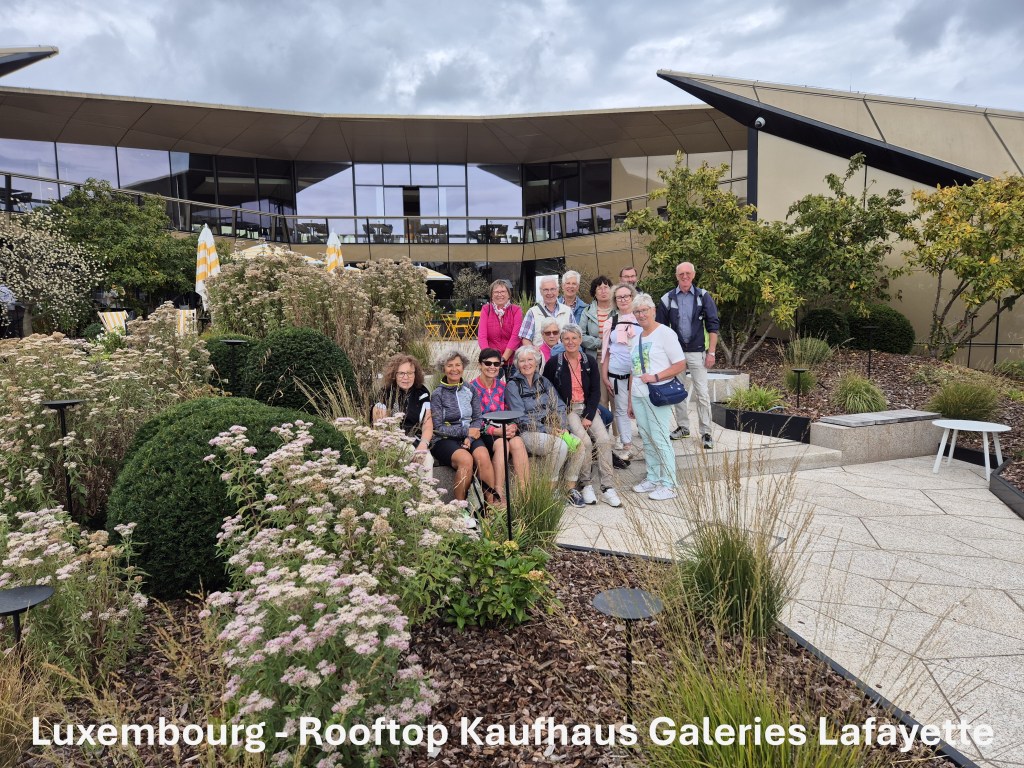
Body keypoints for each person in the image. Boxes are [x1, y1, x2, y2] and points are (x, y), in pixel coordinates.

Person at [544, 324, 621, 508]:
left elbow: (595, 391)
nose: (570, 342)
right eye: (566, 338)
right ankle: (586, 484)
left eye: (574, 338)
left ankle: (608, 486)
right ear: (561, 341)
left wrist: (589, 415)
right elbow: (547, 389)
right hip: (568, 410)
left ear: (580, 340)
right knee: (584, 442)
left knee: (604, 439)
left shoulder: (589, 361)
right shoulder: (554, 363)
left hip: (587, 408)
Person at [656, 261, 721, 449]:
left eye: (688, 273)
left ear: (693, 275)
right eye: (681, 274)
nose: (684, 276)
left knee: (702, 393)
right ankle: (683, 427)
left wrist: (711, 352)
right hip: (675, 354)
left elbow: (713, 325)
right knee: (678, 392)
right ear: (676, 276)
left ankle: (706, 432)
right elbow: (660, 328)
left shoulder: (703, 296)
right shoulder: (667, 298)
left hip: (698, 352)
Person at [629, 293, 687, 501]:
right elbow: (633, 371)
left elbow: (680, 364)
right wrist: (630, 400)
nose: (641, 314)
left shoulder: (665, 333)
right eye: (637, 311)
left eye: (644, 310)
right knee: (647, 438)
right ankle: (653, 477)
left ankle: (669, 484)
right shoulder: (636, 337)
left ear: (653, 311)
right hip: (638, 395)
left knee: (660, 438)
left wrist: (655, 377)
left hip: (658, 393)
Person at [429, 350, 499, 504]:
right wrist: (466, 431)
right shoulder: (437, 394)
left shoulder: (470, 389)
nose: (454, 369)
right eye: (450, 365)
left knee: (483, 456)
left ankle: (490, 505)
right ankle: (460, 508)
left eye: (458, 365)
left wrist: (469, 437)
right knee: (466, 460)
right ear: (443, 368)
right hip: (444, 439)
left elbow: (477, 418)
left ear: (463, 366)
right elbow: (438, 428)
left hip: (470, 436)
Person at [504, 346, 571, 494]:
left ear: (536, 362)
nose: (526, 364)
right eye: (522, 361)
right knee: (559, 446)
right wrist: (549, 430)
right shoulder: (513, 385)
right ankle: (550, 489)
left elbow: (559, 405)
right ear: (517, 364)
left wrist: (562, 425)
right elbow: (520, 417)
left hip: (551, 427)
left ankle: (571, 489)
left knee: (579, 446)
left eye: (530, 359)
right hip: (528, 432)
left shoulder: (543, 381)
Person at [471, 348, 530, 499]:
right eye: (488, 363)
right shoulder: (472, 388)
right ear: (480, 365)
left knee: (517, 442)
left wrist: (513, 426)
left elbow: (512, 411)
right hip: (485, 431)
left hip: (505, 426)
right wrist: (495, 431)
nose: (492, 367)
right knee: (502, 444)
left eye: (496, 364)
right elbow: (473, 419)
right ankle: (498, 493)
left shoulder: (503, 387)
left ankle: (525, 492)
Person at [372, 354, 434, 472]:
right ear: (394, 375)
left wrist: (424, 444)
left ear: (415, 374)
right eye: (401, 373)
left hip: (414, 439)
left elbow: (428, 423)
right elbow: (380, 424)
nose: (406, 377)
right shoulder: (385, 393)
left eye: (410, 373)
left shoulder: (422, 393)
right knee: (408, 452)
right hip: (392, 440)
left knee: (427, 459)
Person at [601, 283, 641, 463]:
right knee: (621, 410)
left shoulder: (641, 319)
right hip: (616, 374)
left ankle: (650, 446)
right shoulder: (611, 322)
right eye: (619, 297)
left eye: (626, 296)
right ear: (615, 300)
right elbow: (606, 351)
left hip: (639, 374)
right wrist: (604, 375)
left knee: (641, 409)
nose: (623, 300)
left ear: (632, 297)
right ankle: (627, 445)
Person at [477, 279, 523, 372]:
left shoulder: (516, 310)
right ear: (491, 295)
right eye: (496, 292)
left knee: (514, 381)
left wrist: (503, 358)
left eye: (503, 291)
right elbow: (482, 336)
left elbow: (516, 336)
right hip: (492, 361)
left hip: (512, 360)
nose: (499, 294)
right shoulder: (486, 309)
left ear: (509, 294)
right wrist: (490, 358)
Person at [519, 275, 573, 346]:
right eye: (546, 290)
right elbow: (525, 339)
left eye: (552, 289)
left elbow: (574, 335)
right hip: (540, 352)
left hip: (563, 352)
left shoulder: (567, 311)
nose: (549, 293)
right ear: (541, 292)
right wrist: (534, 351)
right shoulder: (532, 312)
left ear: (557, 291)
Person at [580, 275, 614, 354]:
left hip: (614, 356)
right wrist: (600, 343)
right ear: (595, 293)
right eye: (599, 288)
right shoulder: (587, 312)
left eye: (606, 287)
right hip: (594, 357)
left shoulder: (617, 311)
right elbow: (580, 336)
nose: (603, 291)